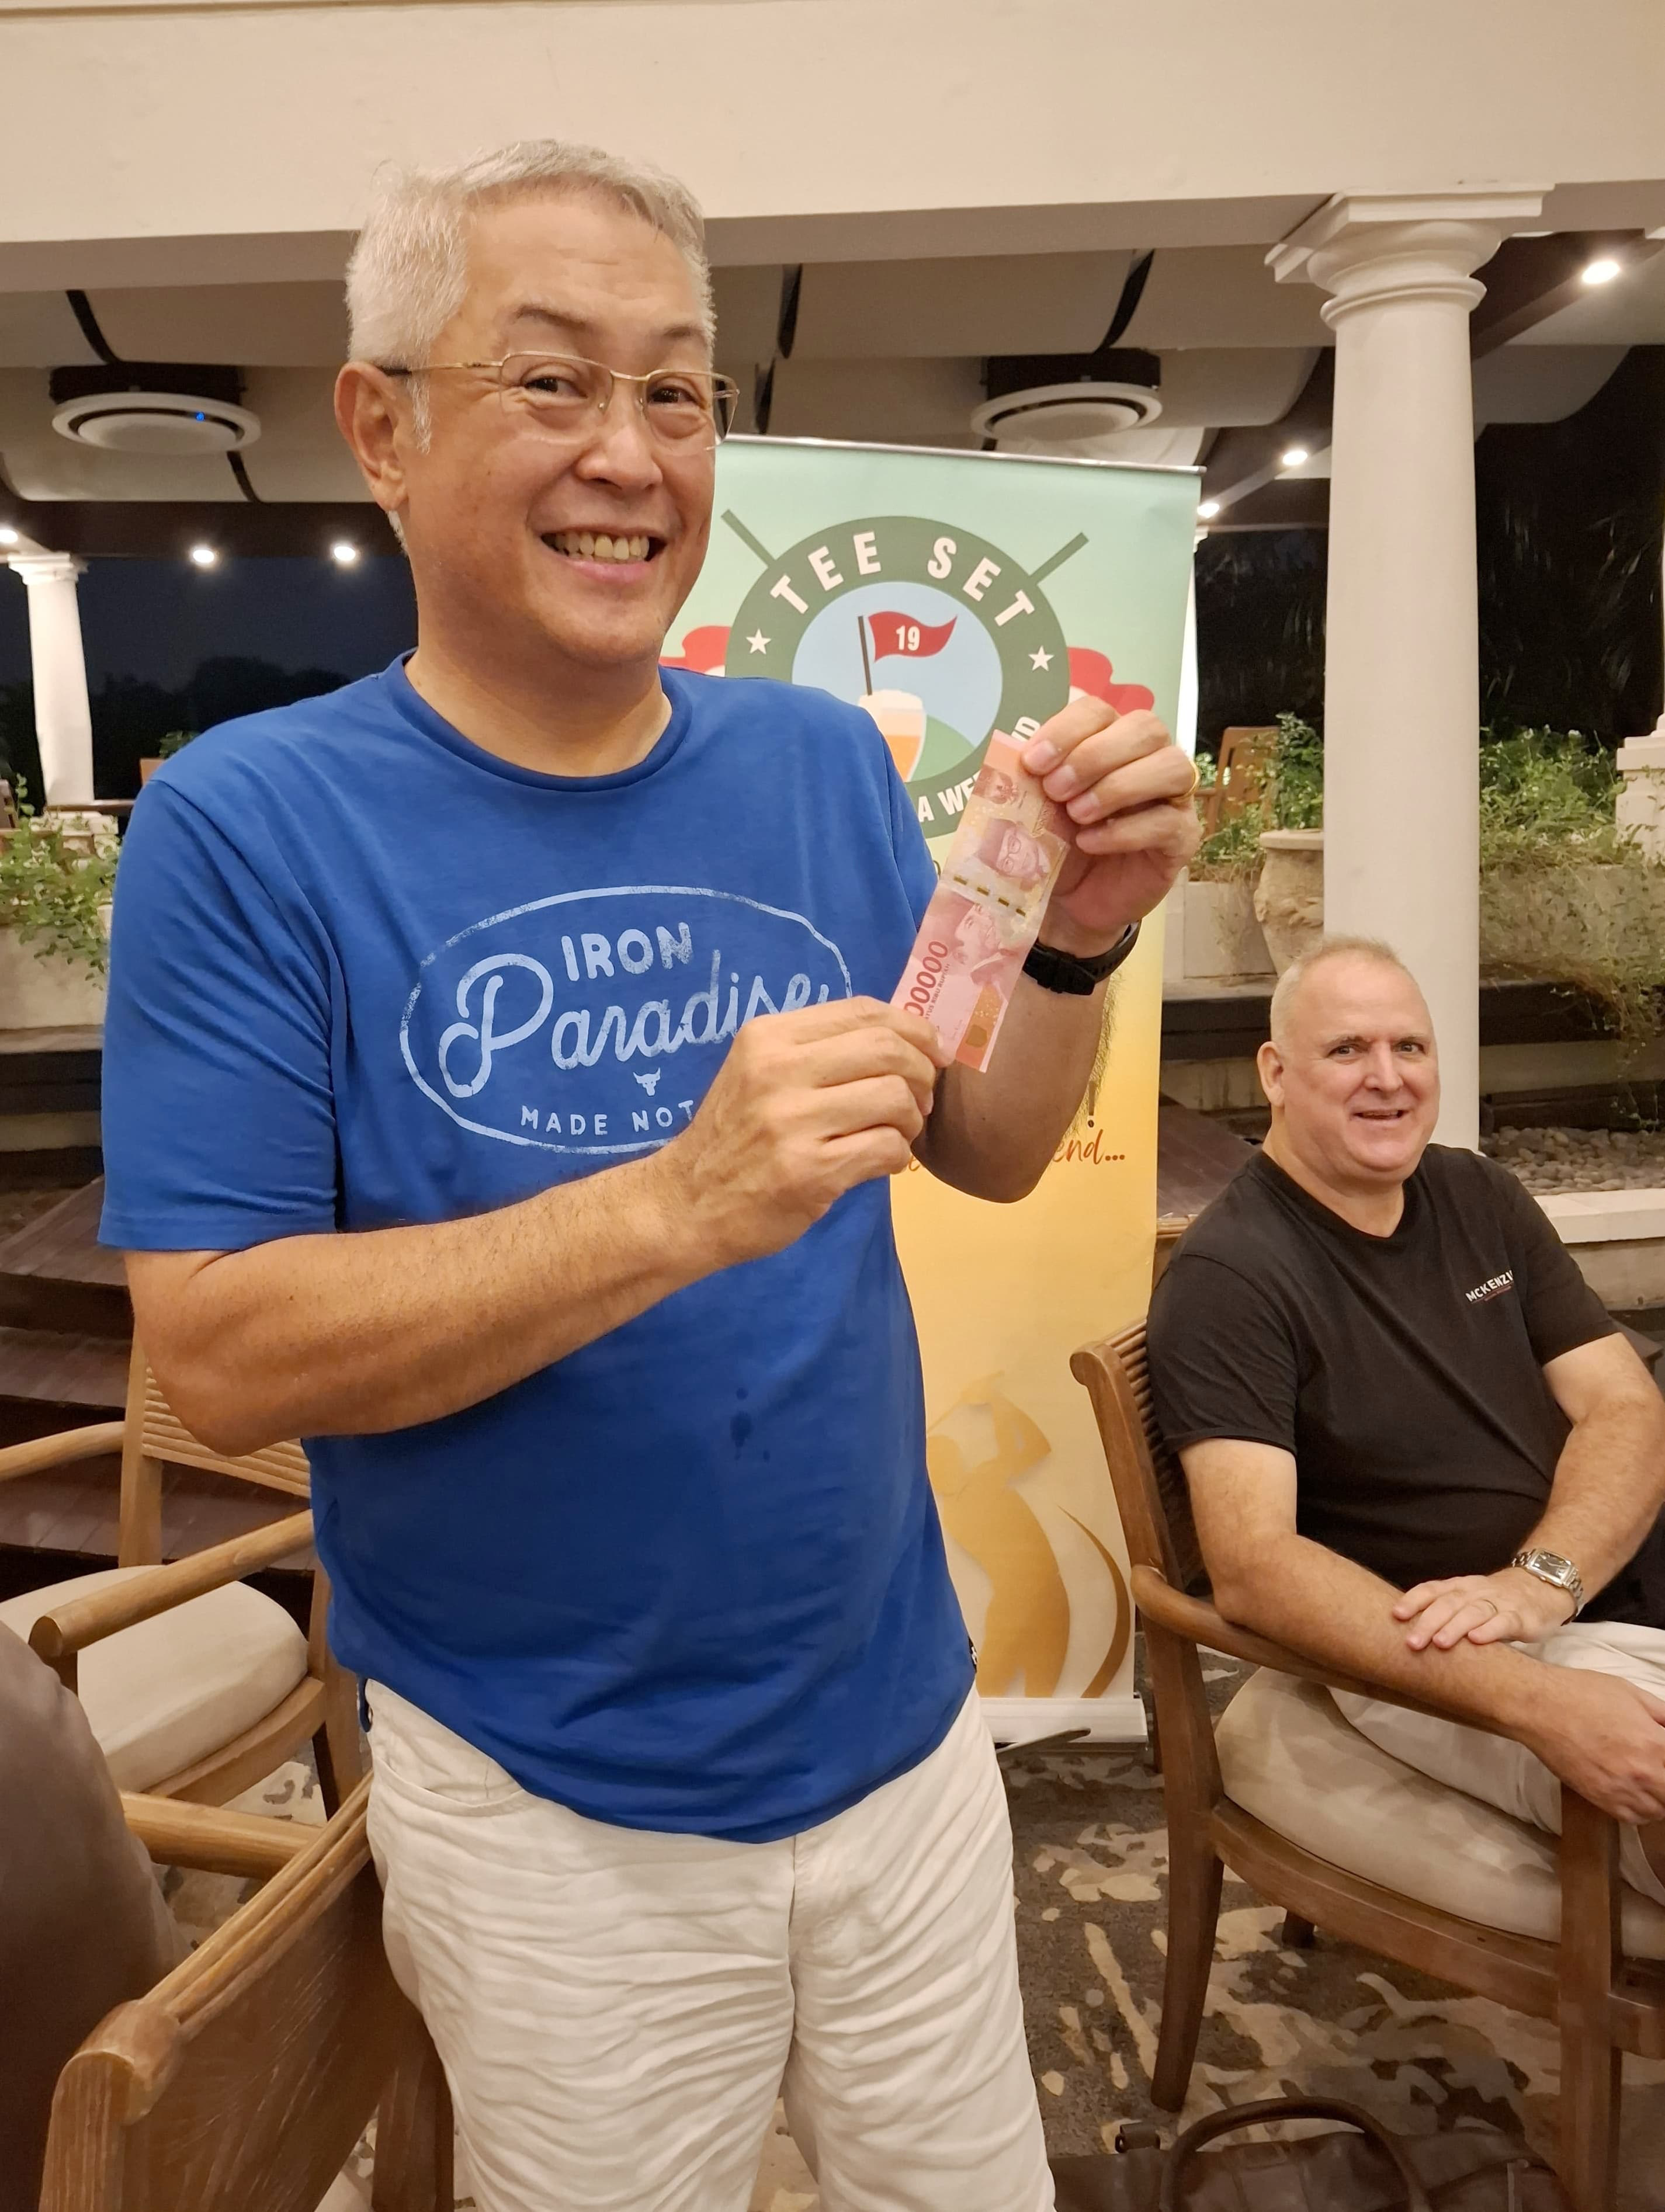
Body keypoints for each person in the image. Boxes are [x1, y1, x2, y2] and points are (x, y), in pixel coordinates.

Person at [99, 141, 1200, 2212]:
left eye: (678, 391)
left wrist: (1072, 945)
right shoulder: (249, 825)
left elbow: (981, 1143)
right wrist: (674, 1203)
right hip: (551, 1807)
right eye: (551, 380)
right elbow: (221, 1355)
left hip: (904, 1733)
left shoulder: (816, 762)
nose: (631, 452)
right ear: (382, 429)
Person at [1149, 936, 1665, 1904]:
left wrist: (1541, 1579)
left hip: (1585, 1586)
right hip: (1459, 1652)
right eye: (1347, 1049)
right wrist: (1536, 1694)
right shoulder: (1232, 1277)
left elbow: (1623, 1402)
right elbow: (1253, 1564)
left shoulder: (1475, 1193)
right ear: (1275, 1072)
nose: (1386, 1078)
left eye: (1409, 1047)